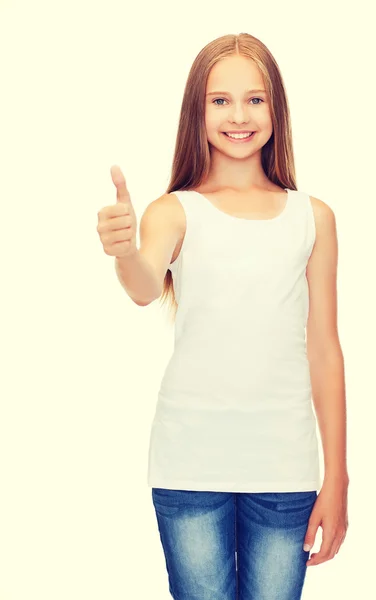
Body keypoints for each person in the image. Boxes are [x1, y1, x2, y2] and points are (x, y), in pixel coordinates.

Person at [98, 32, 349, 600]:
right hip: (190, 464)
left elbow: (325, 349)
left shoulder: (314, 218)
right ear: (198, 110)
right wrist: (123, 254)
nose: (239, 115)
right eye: (220, 100)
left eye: (255, 99)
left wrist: (337, 478)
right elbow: (143, 285)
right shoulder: (174, 212)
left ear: (276, 110)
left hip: (285, 468)